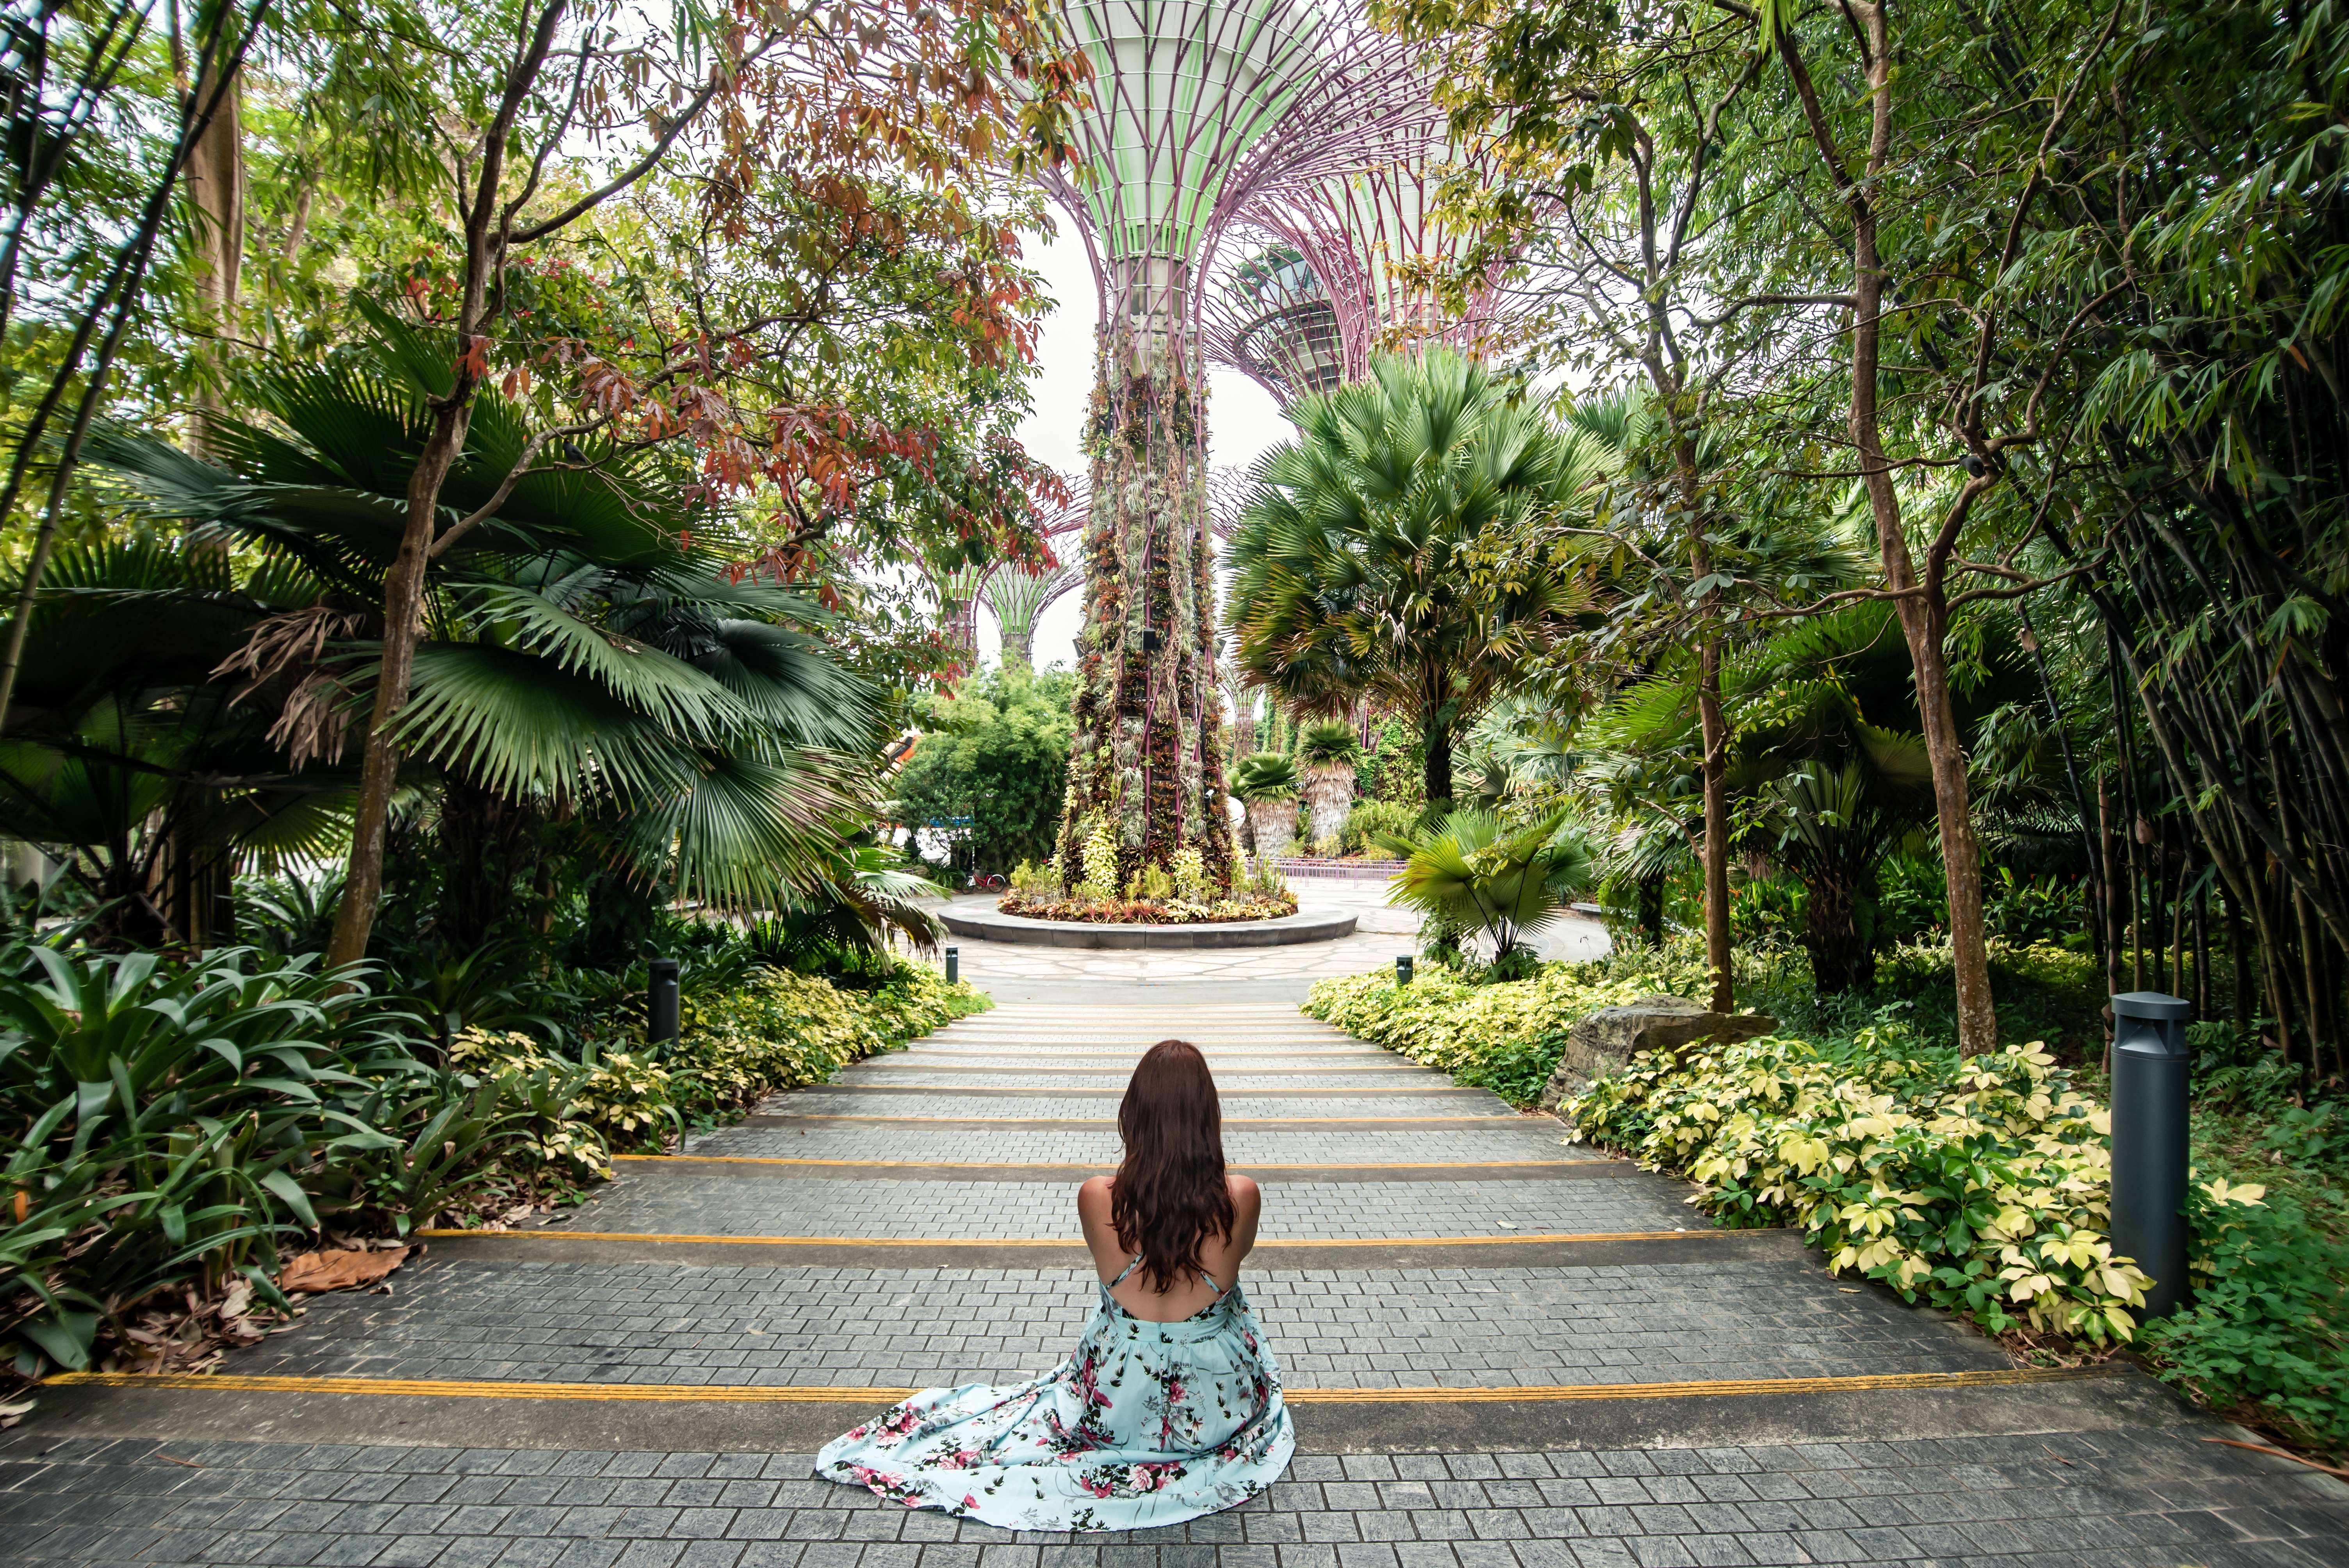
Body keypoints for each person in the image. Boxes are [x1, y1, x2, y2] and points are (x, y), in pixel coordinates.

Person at [815, 1039, 1294, 1530]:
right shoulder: (1241, 1195)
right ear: (1207, 1115)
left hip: (1118, 1390)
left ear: (1133, 1113)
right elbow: (1233, 1260)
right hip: (1214, 1401)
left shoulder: (1097, 1197)